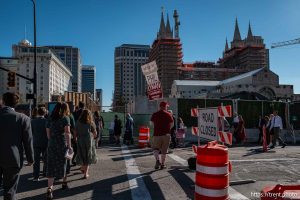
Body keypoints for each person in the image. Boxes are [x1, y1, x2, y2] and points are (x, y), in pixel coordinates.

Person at [0, 92, 34, 200]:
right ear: (16, 103)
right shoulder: (23, 119)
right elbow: (28, 141)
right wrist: (30, 159)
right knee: (10, 190)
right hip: (13, 158)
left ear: (3, 101)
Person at [46, 102, 72, 199]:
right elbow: (67, 133)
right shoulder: (65, 118)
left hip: (52, 143)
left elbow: (48, 135)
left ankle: (49, 188)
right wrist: (69, 146)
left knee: (51, 164)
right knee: (64, 162)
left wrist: (52, 140)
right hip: (62, 143)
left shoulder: (49, 118)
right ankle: (64, 183)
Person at [74, 109, 97, 178]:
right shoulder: (90, 122)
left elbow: (75, 131)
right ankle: (85, 173)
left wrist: (75, 138)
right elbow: (95, 133)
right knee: (88, 155)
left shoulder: (78, 122)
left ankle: (82, 167)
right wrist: (94, 137)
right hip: (88, 141)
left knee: (81, 154)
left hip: (80, 140)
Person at [151, 101, 174, 169]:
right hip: (166, 135)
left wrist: (155, 128)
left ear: (160, 107)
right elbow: (172, 124)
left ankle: (157, 160)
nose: (167, 108)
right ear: (165, 106)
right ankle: (162, 164)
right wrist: (167, 129)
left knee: (156, 148)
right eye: (167, 106)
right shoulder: (168, 114)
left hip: (156, 134)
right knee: (164, 150)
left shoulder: (155, 114)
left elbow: (151, 123)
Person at [31, 107, 48, 181]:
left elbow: (31, 132)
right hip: (45, 142)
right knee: (46, 159)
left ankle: (36, 176)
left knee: (36, 160)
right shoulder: (47, 121)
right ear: (45, 113)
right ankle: (45, 173)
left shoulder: (33, 121)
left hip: (36, 142)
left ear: (38, 112)